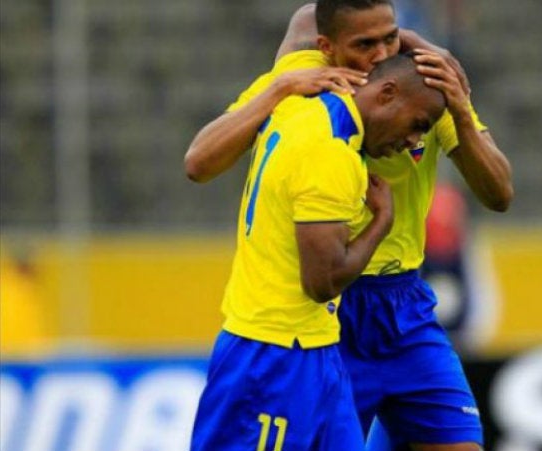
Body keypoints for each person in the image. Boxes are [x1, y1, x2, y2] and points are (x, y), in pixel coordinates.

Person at [184, 1, 513, 449]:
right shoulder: (306, 83)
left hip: (402, 305)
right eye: (364, 44)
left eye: (390, 38)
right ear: (328, 47)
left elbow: (499, 193)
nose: (380, 55)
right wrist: (280, 88)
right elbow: (200, 162)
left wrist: (458, 108)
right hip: (329, 311)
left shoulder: (424, 84)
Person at [189, 53, 447, 451]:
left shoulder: (298, 103)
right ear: (387, 92)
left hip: (318, 346)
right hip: (270, 352)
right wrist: (382, 220)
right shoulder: (330, 149)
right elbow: (322, 281)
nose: (415, 141)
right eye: (417, 125)